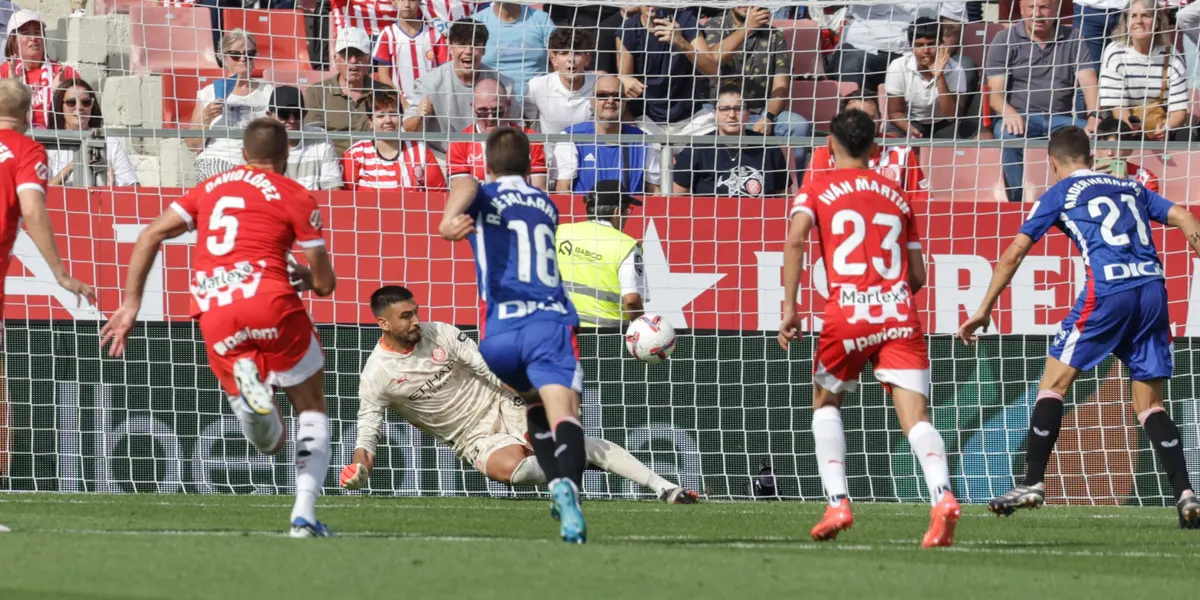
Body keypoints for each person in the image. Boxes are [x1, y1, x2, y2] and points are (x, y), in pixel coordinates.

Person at [100, 118, 339, 537]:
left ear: (243, 154)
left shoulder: (211, 188)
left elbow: (150, 235)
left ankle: (253, 398)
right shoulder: (296, 195)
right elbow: (324, 284)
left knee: (269, 441)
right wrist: (303, 273)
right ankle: (304, 514)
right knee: (311, 408)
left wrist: (130, 304)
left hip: (215, 309)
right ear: (286, 156)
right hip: (271, 300)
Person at [957, 126, 1200, 530]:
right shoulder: (1130, 187)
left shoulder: (1059, 193)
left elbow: (1015, 251)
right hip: (1154, 290)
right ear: (1090, 155)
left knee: (1052, 384)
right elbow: (1182, 215)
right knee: (1151, 405)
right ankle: (1186, 493)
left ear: (1052, 162)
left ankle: (1032, 482)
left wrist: (983, 309)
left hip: (1108, 291)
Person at [780, 108, 960, 547]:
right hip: (899, 313)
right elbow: (917, 274)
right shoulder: (898, 194)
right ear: (876, 149)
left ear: (828, 147)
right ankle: (942, 496)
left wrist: (790, 307)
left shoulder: (817, 186)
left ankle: (838, 501)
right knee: (916, 418)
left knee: (825, 402)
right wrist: (889, 297)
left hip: (846, 314)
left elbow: (796, 237)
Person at [339, 286, 698, 504]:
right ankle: (574, 460)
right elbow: (367, 433)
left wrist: (536, 394)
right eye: (405, 317)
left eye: (415, 312)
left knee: (572, 438)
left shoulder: (440, 332)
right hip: (471, 436)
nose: (416, 320)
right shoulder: (377, 375)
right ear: (383, 324)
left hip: (502, 402)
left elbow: (486, 368)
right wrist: (360, 469)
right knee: (516, 471)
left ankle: (665, 488)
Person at [439, 127, 589, 543]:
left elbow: (467, 183)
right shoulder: (546, 204)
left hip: (498, 337)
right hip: (547, 323)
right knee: (564, 414)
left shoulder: (481, 191)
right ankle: (567, 489)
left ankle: (556, 484)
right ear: (529, 167)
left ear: (487, 165)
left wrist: (450, 219)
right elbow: (480, 186)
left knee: (531, 405)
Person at [986, 0, 1098, 202]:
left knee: (1097, 135)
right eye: (1031, 7)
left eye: (1044, 7)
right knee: (1007, 134)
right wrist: (1008, 111)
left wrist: (1093, 116)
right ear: (1021, 9)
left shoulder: (1073, 37)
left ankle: (1083, 198)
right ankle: (1017, 202)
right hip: (1020, 118)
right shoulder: (1004, 39)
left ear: (1055, 9)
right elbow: (995, 95)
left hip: (1060, 120)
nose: (1037, 14)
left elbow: (1088, 81)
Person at [703, 6, 813, 172]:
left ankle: (792, 186)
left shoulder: (774, 35)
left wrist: (768, 117)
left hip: (757, 113)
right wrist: (747, 28)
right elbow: (713, 58)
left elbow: (781, 86)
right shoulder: (713, 25)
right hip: (717, 111)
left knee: (798, 125)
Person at [403, 18, 511, 153]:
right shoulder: (428, 84)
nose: (468, 51)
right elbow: (408, 129)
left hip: (490, 154)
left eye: (475, 45)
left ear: (483, 49)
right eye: (462, 44)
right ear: (450, 47)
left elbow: (516, 126)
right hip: (441, 157)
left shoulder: (502, 85)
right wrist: (420, 116)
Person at [617, 6, 720, 141]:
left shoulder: (685, 20)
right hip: (646, 120)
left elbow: (713, 71)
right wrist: (625, 81)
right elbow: (624, 82)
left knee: (714, 146)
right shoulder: (628, 29)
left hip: (690, 118)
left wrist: (681, 42)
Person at [803, 96, 930, 203]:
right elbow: (809, 198)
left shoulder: (902, 151)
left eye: (870, 117)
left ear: (880, 118)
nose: (864, 124)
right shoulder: (826, 149)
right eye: (856, 118)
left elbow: (921, 201)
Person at [556, 180, 646, 328]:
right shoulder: (626, 245)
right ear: (617, 212)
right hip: (605, 337)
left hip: (561, 331)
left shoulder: (560, 232)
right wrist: (642, 330)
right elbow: (631, 300)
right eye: (628, 210)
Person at [672, 86, 788, 198]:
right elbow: (678, 197)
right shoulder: (696, 148)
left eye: (738, 109)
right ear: (715, 114)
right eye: (724, 109)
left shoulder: (768, 147)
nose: (732, 115)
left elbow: (783, 195)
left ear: (748, 114)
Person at [554, 75, 662, 194]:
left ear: (625, 102)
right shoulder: (571, 137)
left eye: (617, 96)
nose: (610, 101)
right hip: (585, 211)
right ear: (592, 100)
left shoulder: (643, 140)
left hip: (631, 211)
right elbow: (563, 188)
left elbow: (654, 190)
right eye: (602, 95)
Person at [189, 30, 275, 180]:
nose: (243, 59)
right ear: (224, 58)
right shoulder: (208, 93)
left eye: (249, 53)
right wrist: (206, 117)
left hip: (258, 161)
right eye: (235, 54)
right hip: (217, 158)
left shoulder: (268, 91)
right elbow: (193, 145)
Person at [1098, 0, 1188, 142]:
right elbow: (1117, 107)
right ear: (1126, 23)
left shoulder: (1172, 57)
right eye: (1133, 16)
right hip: (1124, 129)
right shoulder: (1114, 53)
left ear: (1157, 22)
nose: (1139, 21)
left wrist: (1167, 127)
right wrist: (1131, 126)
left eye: (1146, 15)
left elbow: (1179, 110)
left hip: (1161, 128)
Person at [447, 79, 546, 188]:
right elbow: (460, 192)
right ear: (473, 107)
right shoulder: (458, 143)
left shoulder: (530, 140)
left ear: (509, 104)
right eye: (483, 111)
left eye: (497, 111)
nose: (490, 118)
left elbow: (539, 190)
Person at [343, 87, 445, 190]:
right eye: (381, 116)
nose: (388, 120)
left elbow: (439, 194)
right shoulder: (355, 154)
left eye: (393, 114)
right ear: (370, 121)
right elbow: (344, 199)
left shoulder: (421, 151)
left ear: (401, 118)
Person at [884, 17, 967, 140]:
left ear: (941, 44)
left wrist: (939, 77)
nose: (926, 51)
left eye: (932, 44)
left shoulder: (956, 69)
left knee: (978, 138)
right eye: (919, 45)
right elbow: (895, 112)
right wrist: (912, 130)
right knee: (892, 140)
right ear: (911, 46)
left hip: (945, 123)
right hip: (909, 120)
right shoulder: (898, 66)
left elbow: (952, 115)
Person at [47, 78, 138, 187]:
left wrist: (111, 189)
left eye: (86, 102)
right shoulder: (49, 147)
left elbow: (134, 189)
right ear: (59, 107)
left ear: (92, 105)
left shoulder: (111, 144)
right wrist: (74, 165)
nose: (79, 107)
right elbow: (39, 192)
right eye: (71, 102)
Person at [305, 27, 376, 157]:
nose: (353, 61)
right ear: (335, 59)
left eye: (359, 55)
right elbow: (313, 140)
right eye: (347, 55)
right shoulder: (317, 93)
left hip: (374, 166)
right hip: (332, 163)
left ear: (369, 59)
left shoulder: (384, 92)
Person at [1, 11, 78, 130]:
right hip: (16, 139)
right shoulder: (3, 73)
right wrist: (12, 89)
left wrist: (59, 94)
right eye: (26, 33)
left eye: (37, 32)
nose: (33, 38)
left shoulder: (64, 73)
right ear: (13, 41)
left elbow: (82, 114)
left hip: (58, 141)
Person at [523, 28, 597, 141]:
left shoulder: (600, 85)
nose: (571, 59)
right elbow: (527, 121)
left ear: (587, 59)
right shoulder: (537, 86)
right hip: (550, 157)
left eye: (577, 53)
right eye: (564, 53)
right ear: (554, 59)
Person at [472, 1, 555, 101]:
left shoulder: (541, 19)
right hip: (493, 107)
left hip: (538, 103)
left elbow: (559, 61)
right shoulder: (476, 22)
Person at [269, 86, 343, 191]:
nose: (292, 120)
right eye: (284, 114)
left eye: (297, 114)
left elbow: (333, 187)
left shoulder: (320, 138)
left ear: (305, 114)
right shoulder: (260, 141)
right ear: (270, 115)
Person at [373, 0, 447, 104]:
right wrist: (401, 102)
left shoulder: (434, 34)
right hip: (402, 106)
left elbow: (445, 71)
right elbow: (383, 76)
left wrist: (432, 100)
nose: (407, 5)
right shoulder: (388, 34)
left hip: (432, 104)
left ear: (419, 2)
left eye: (412, 0)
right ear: (393, 2)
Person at [1093, 117, 1159, 192]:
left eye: (1116, 148)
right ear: (1097, 149)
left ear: (1130, 150)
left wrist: (1126, 185)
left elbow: (1147, 203)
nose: (1110, 153)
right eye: (1104, 147)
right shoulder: (1085, 174)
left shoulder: (1145, 177)